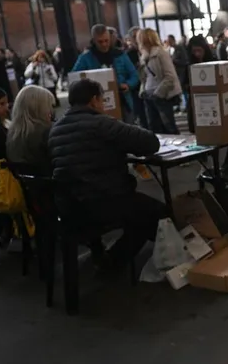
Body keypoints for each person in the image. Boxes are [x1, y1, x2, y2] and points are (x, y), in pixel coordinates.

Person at [48, 78, 166, 268]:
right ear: (94, 100)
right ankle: (119, 260)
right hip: (105, 200)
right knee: (159, 214)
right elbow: (150, 142)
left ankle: (113, 259)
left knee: (143, 213)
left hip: (70, 207)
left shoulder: (55, 129)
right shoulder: (100, 123)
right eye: (102, 100)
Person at [72, 24, 139, 124]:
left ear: (110, 38)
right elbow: (74, 78)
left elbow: (134, 75)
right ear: (94, 40)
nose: (104, 44)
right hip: (96, 104)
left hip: (123, 101)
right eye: (100, 41)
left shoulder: (120, 55)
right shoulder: (85, 58)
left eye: (106, 40)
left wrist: (128, 85)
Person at [138, 28, 183, 134]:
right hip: (148, 95)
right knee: (154, 127)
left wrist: (158, 93)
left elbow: (170, 76)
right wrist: (143, 91)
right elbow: (145, 77)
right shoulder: (144, 56)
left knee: (168, 126)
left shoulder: (160, 53)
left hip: (161, 95)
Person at [6, 85, 55, 172]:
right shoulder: (45, 132)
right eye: (49, 106)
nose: (51, 111)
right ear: (39, 108)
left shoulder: (11, 132)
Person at [185, 35, 216, 132]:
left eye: (199, 50)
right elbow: (185, 83)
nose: (197, 54)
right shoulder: (189, 64)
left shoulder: (213, 61)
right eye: (194, 51)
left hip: (211, 101)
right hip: (195, 101)